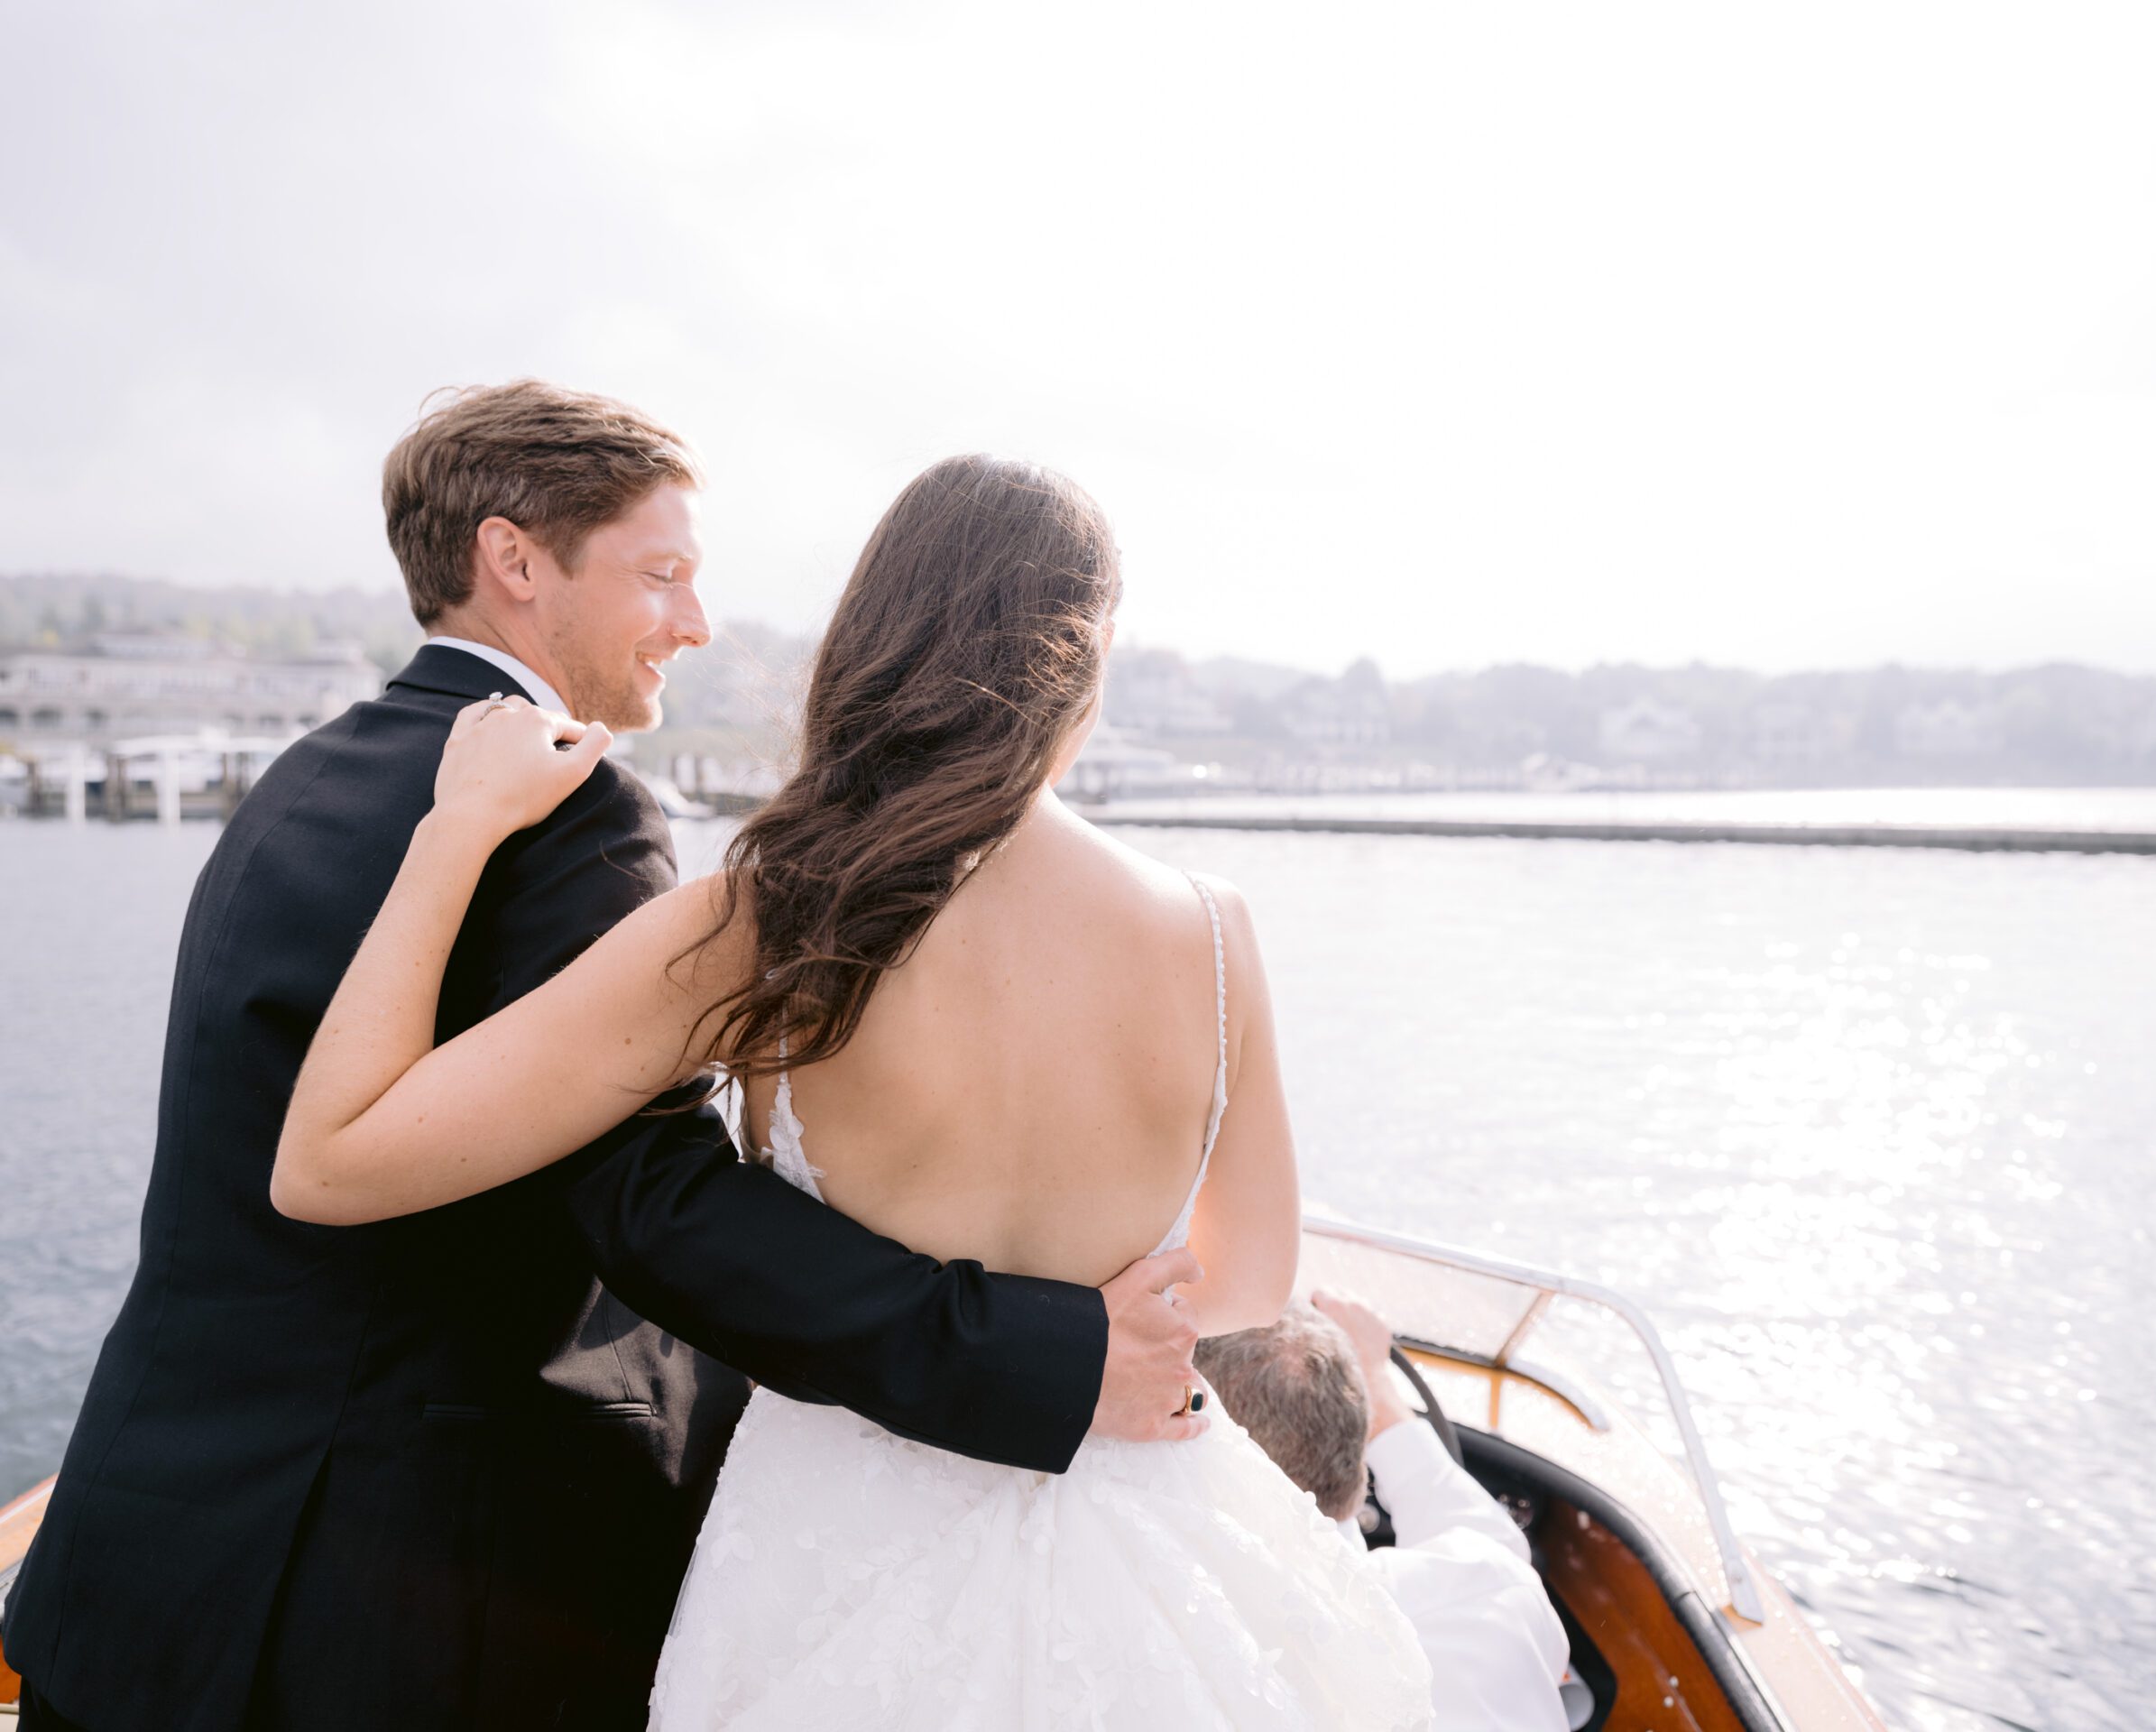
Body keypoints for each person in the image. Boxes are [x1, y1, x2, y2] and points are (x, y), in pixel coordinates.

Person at [0, 385, 1208, 1732]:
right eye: (661, 574)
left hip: (132, 1567)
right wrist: (1031, 1354)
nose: (695, 623)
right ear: (514, 562)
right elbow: (655, 1202)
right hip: (368, 1613)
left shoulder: (295, 782)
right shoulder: (576, 814)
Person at [264, 450, 1437, 1728]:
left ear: (876, 639)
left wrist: (455, 833)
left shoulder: (775, 912)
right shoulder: (1214, 931)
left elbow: (331, 1162)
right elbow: (1251, 1279)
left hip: (837, 1549)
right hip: (1139, 1523)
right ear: (1086, 658)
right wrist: (1083, 1321)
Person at [1196, 1294, 1575, 1732]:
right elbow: (1485, 1534)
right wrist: (1374, 1378)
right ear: (1358, 1433)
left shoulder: (1204, 1634)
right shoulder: (1492, 1586)